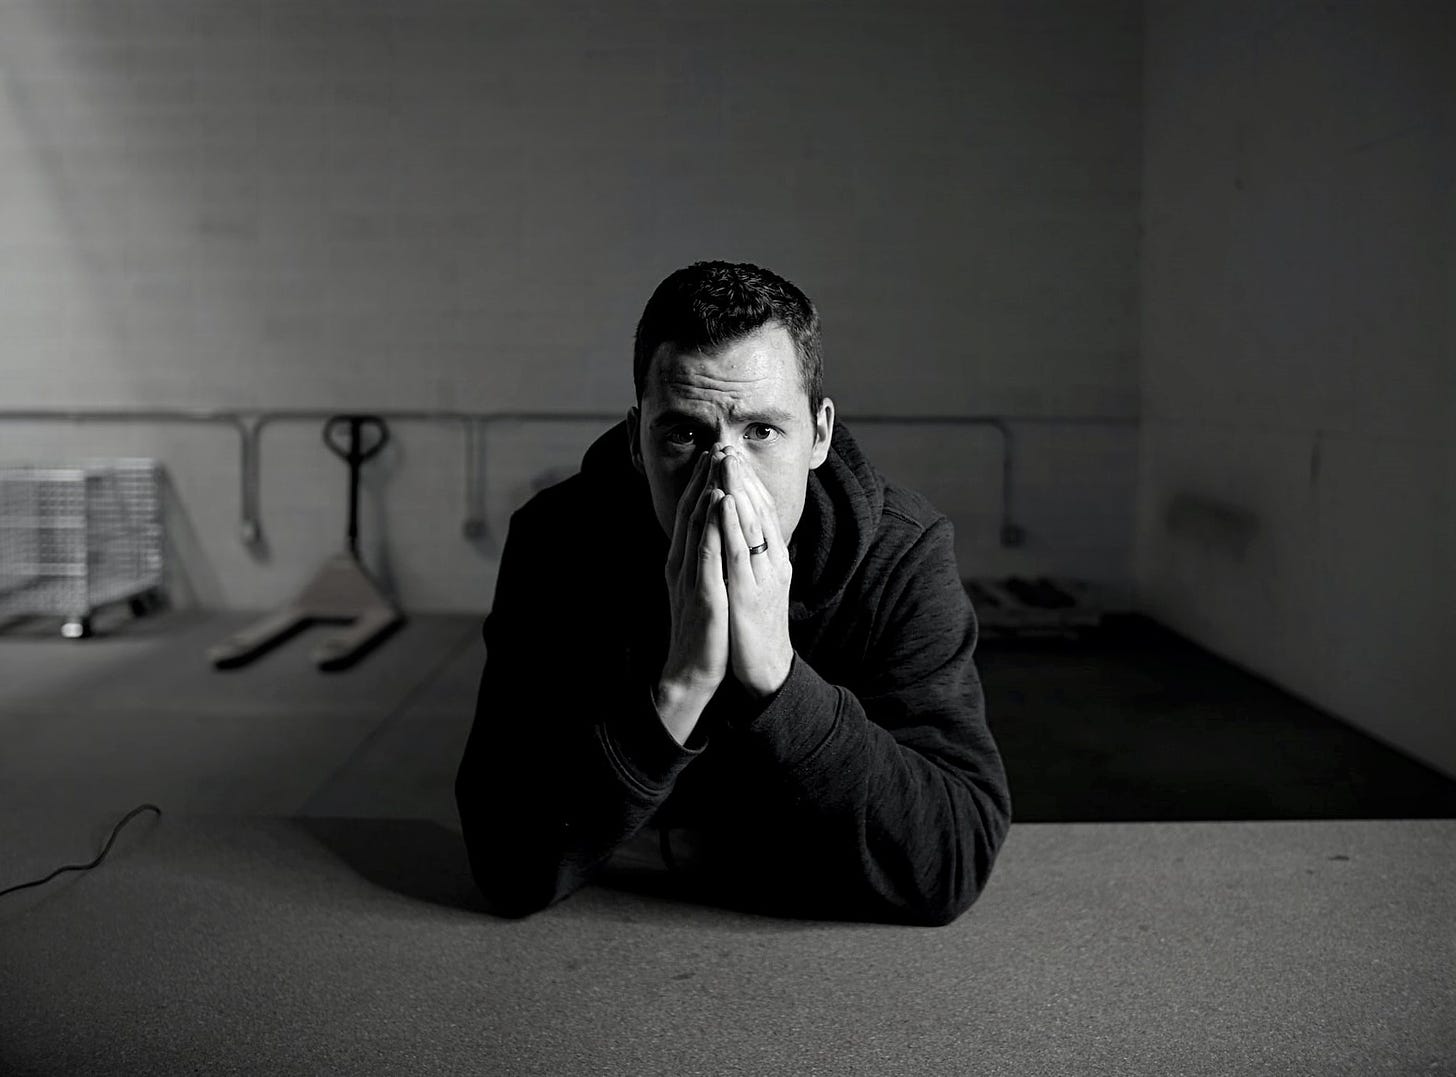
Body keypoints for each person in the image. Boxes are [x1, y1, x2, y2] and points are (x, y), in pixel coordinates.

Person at [455, 261, 1011, 926]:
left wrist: (777, 674)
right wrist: (682, 684)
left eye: (762, 431)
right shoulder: (557, 542)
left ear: (820, 435)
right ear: (638, 440)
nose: (723, 479)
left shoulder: (902, 554)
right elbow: (506, 864)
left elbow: (951, 861)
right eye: (685, 433)